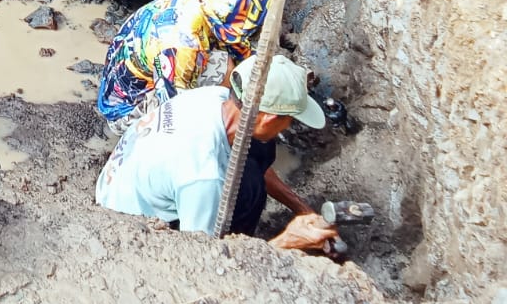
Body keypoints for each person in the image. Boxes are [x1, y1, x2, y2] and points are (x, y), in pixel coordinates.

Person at [96, 54, 338, 250]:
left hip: (124, 182)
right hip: (128, 225)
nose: (287, 127)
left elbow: (252, 157)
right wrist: (289, 240)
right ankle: (240, 240)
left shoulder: (217, 96)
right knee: (250, 192)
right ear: (269, 119)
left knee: (259, 149)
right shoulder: (204, 177)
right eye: (289, 120)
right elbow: (203, 260)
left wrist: (302, 209)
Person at [97, 0, 286, 128]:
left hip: (135, 73)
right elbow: (170, 113)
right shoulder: (183, 47)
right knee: (226, 72)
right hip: (127, 111)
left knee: (235, 62)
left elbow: (235, 43)